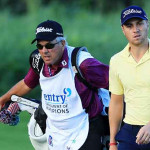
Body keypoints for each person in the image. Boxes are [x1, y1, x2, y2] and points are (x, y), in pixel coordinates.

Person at [0, 20, 109, 150]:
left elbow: (117, 82)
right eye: (40, 46)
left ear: (63, 43)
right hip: (56, 134)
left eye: (49, 45)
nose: (44, 51)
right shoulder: (39, 61)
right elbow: (27, 83)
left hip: (85, 129)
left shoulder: (83, 63)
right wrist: (3, 99)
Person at [109, 5, 150, 150]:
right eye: (129, 25)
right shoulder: (116, 61)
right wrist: (113, 142)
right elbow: (116, 103)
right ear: (123, 29)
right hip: (129, 133)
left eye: (139, 23)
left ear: (147, 23)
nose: (135, 29)